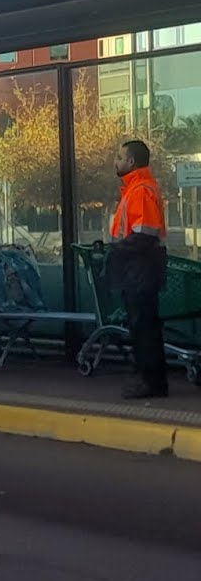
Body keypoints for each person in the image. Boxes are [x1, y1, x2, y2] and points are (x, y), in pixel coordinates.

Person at [108, 139, 169, 399]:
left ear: (131, 162)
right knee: (143, 325)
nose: (116, 161)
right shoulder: (136, 189)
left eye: (120, 157)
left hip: (140, 269)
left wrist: (117, 250)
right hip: (139, 268)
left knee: (144, 326)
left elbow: (144, 234)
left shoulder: (141, 190)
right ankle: (150, 379)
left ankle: (151, 382)